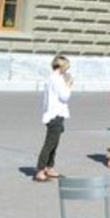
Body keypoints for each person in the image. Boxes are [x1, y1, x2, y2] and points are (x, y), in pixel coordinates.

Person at [34, 54, 72, 182]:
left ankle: (49, 167)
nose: (67, 70)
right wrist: (69, 85)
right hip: (55, 114)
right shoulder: (57, 80)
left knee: (54, 143)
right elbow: (64, 96)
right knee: (50, 144)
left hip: (54, 114)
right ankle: (40, 170)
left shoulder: (52, 78)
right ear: (62, 66)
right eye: (67, 66)